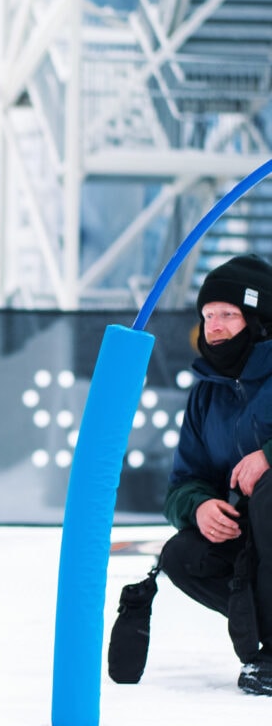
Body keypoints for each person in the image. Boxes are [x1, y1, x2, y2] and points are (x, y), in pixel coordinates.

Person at [158, 253, 272, 694]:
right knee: (182, 555)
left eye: (228, 313)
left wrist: (267, 456)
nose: (215, 326)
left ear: (259, 318)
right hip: (250, 540)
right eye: (208, 315)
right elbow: (181, 485)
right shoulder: (206, 392)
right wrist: (200, 505)